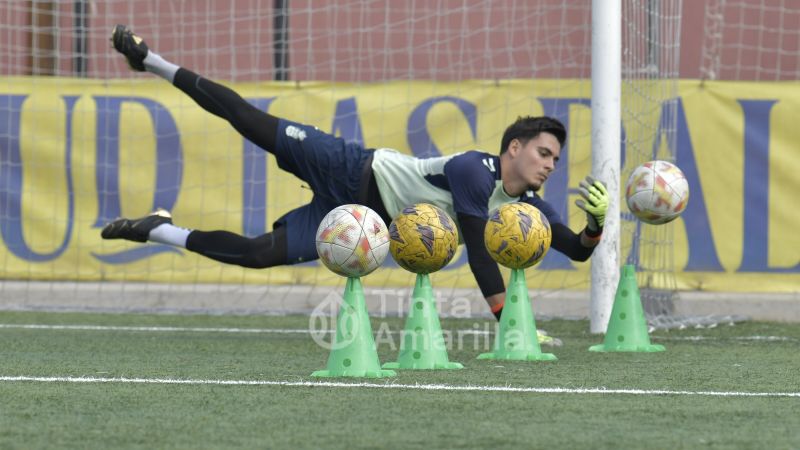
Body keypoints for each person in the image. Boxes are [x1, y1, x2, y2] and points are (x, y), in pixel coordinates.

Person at [102, 25, 610, 322]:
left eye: (556, 160)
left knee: (258, 255)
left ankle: (156, 229)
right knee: (248, 119)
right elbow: (478, 251)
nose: (550, 164)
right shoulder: (476, 171)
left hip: (362, 221)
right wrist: (508, 320)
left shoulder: (528, 209)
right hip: (351, 168)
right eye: (544, 152)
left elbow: (577, 249)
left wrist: (595, 224)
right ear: (514, 148)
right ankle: (152, 61)